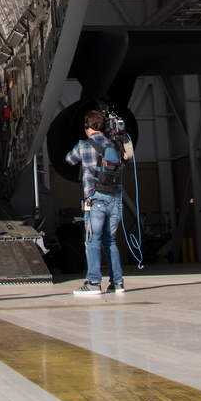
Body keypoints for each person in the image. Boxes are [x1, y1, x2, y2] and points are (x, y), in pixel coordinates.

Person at [65, 109, 133, 297]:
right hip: (115, 200)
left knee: (92, 241)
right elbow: (128, 157)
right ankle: (117, 282)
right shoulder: (115, 145)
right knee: (110, 241)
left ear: (87, 126)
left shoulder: (83, 145)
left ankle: (94, 282)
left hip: (95, 200)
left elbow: (69, 160)